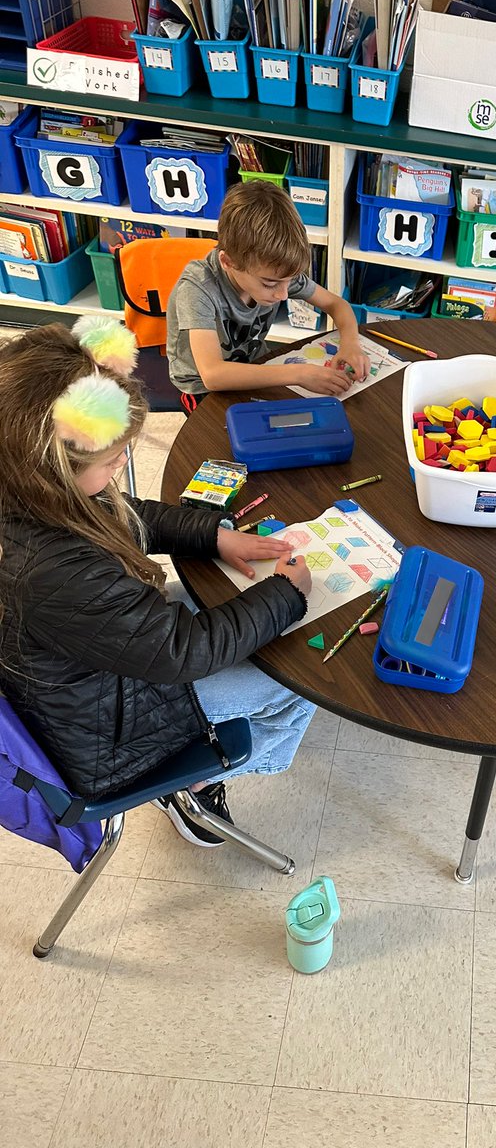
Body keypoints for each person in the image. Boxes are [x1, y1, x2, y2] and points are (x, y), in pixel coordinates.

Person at [0, 317, 318, 847]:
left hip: (88, 674)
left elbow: (123, 514)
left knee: (238, 620)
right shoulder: (53, 572)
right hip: (110, 737)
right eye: (111, 459)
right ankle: (198, 782)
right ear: (53, 469)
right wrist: (285, 596)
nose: (124, 462)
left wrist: (213, 536)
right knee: (300, 679)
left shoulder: (27, 489)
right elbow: (180, 653)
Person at [167, 180, 369, 414]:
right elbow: (212, 375)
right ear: (227, 262)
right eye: (270, 284)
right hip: (203, 389)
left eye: (288, 282)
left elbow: (337, 304)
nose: (283, 294)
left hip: (255, 365)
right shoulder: (197, 289)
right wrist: (299, 374)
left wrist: (351, 345)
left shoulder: (276, 270)